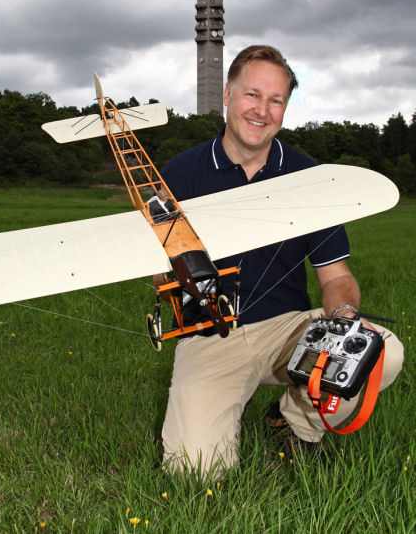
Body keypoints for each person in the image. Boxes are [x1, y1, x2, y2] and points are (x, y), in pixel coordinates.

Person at [158, 45, 404, 478]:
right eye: (253, 95)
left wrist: (345, 319)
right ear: (228, 96)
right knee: (195, 472)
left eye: (276, 101)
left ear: (285, 110)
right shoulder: (179, 173)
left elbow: (337, 276)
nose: (262, 110)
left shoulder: (309, 177)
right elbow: (162, 272)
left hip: (289, 330)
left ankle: (295, 424)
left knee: (380, 351)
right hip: (213, 336)